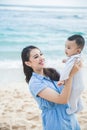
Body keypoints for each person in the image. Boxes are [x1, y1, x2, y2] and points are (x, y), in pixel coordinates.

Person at [21, 45, 82, 130]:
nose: (41, 58)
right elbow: (62, 99)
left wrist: (71, 64)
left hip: (71, 119)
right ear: (28, 63)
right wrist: (71, 75)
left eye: (41, 54)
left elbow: (69, 87)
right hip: (56, 123)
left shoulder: (53, 72)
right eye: (36, 57)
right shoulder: (35, 83)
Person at [58, 34, 85, 115]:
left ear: (78, 51)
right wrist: (66, 60)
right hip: (80, 85)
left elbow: (66, 70)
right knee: (77, 97)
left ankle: (73, 109)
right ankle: (80, 106)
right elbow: (71, 61)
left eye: (69, 48)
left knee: (71, 98)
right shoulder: (78, 57)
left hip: (75, 86)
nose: (66, 49)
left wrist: (62, 80)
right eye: (65, 46)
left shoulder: (73, 59)